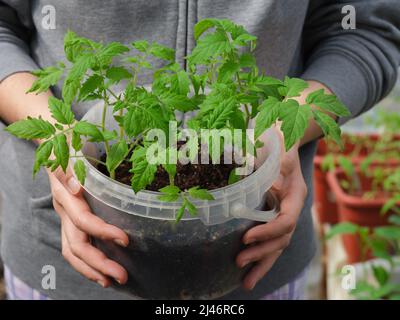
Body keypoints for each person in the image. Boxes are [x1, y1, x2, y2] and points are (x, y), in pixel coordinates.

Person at [0, 0, 399, 300]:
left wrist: (281, 132)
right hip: (60, 268)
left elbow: (364, 29)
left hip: (251, 259)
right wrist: (61, 138)